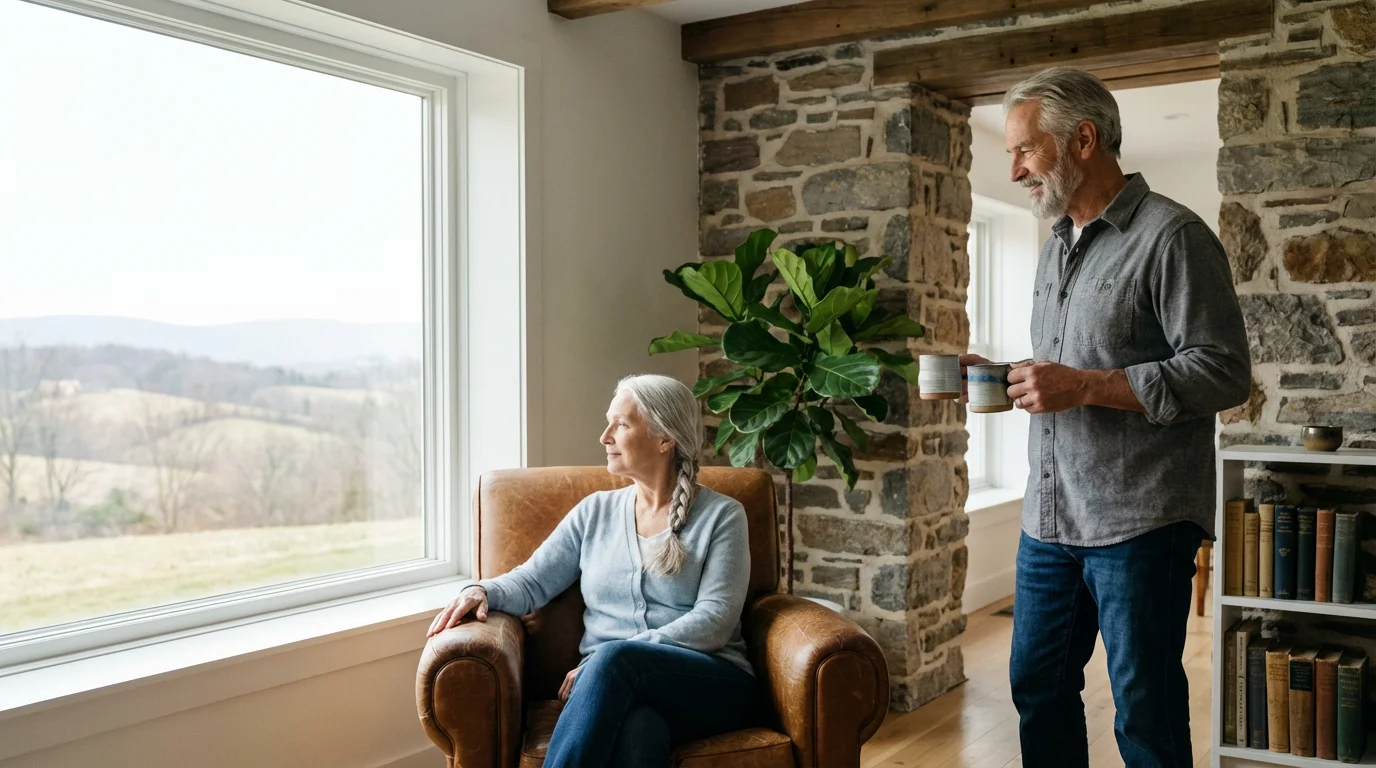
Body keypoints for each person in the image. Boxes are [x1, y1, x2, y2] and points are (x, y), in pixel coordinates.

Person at [961, 68, 1251, 768]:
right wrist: (1005, 375)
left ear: (1083, 139)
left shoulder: (1174, 237)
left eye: (1026, 149)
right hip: (1049, 522)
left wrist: (1086, 386)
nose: (1015, 167)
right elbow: (1069, 365)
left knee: (1143, 705)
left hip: (1140, 522)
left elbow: (1224, 371)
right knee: (1037, 688)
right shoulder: (1057, 243)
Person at [426, 374, 762, 768]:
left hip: (712, 683)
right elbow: (533, 581)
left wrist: (609, 660)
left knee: (618, 660)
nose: (605, 436)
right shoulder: (594, 513)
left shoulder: (722, 516)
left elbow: (716, 620)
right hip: (621, 691)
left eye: (621, 424)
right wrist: (482, 590)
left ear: (664, 439)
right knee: (640, 731)